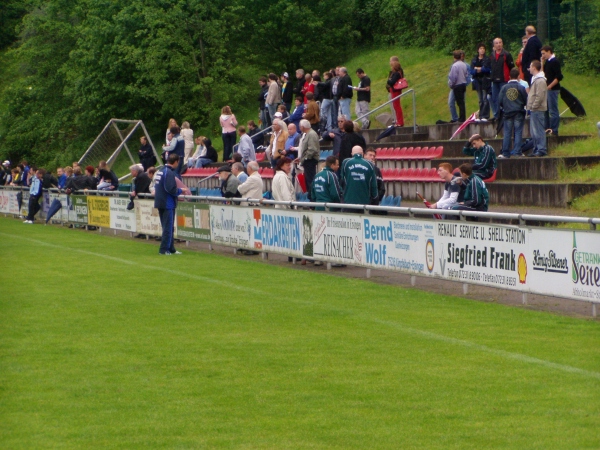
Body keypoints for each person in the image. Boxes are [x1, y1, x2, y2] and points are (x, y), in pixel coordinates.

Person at [153, 153, 183, 255]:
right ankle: (164, 249)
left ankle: (171, 248)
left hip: (160, 202)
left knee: (167, 226)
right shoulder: (169, 173)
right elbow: (170, 189)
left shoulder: (160, 171)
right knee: (168, 227)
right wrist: (180, 190)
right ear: (176, 162)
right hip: (167, 203)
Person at [498, 68, 528, 158]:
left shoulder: (504, 88)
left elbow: (499, 100)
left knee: (507, 133)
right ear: (518, 76)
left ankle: (505, 152)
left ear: (509, 76)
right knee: (518, 132)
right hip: (519, 112)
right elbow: (526, 100)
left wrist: (505, 107)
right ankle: (517, 152)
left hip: (507, 113)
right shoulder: (521, 87)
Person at [527, 60, 548, 157]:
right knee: (533, 131)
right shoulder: (535, 79)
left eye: (530, 66)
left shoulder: (540, 80)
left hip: (538, 109)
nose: (529, 68)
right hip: (534, 109)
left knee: (539, 130)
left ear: (534, 68)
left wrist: (533, 106)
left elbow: (539, 96)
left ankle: (541, 149)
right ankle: (536, 149)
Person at [541, 45, 563, 136]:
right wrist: (542, 62)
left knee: (553, 110)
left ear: (549, 51)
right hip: (547, 88)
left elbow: (559, 76)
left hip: (553, 89)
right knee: (545, 109)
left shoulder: (555, 61)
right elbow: (543, 73)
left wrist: (550, 86)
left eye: (544, 53)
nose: (543, 55)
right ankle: (547, 127)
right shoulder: (548, 62)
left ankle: (554, 129)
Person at [295, 119, 320, 199]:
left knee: (310, 181)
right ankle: (311, 199)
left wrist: (304, 159)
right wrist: (301, 158)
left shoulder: (311, 134)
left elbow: (312, 149)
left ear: (302, 127)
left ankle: (313, 200)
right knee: (308, 181)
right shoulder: (307, 134)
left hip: (310, 161)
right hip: (308, 160)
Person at [490, 37, 515, 119]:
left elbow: (512, 67)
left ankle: (505, 114)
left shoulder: (506, 54)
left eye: (500, 42)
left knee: (504, 98)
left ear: (502, 44)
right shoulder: (492, 55)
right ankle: (496, 115)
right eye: (496, 43)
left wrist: (511, 77)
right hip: (494, 80)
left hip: (504, 80)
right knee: (494, 98)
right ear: (494, 45)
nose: (498, 45)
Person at [470, 44, 492, 121]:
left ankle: (485, 115)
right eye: (480, 48)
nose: (482, 50)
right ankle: (481, 114)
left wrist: (479, 69)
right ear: (478, 50)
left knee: (485, 98)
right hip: (477, 81)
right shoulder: (474, 60)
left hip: (485, 80)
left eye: (483, 48)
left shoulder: (487, 59)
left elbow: (487, 69)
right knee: (480, 99)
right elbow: (472, 71)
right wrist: (478, 69)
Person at [448, 50, 469, 123]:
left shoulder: (455, 65)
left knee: (459, 102)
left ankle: (461, 118)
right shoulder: (464, 64)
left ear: (454, 57)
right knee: (462, 102)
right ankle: (462, 117)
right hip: (463, 84)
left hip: (457, 85)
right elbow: (466, 74)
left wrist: (451, 85)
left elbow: (453, 77)